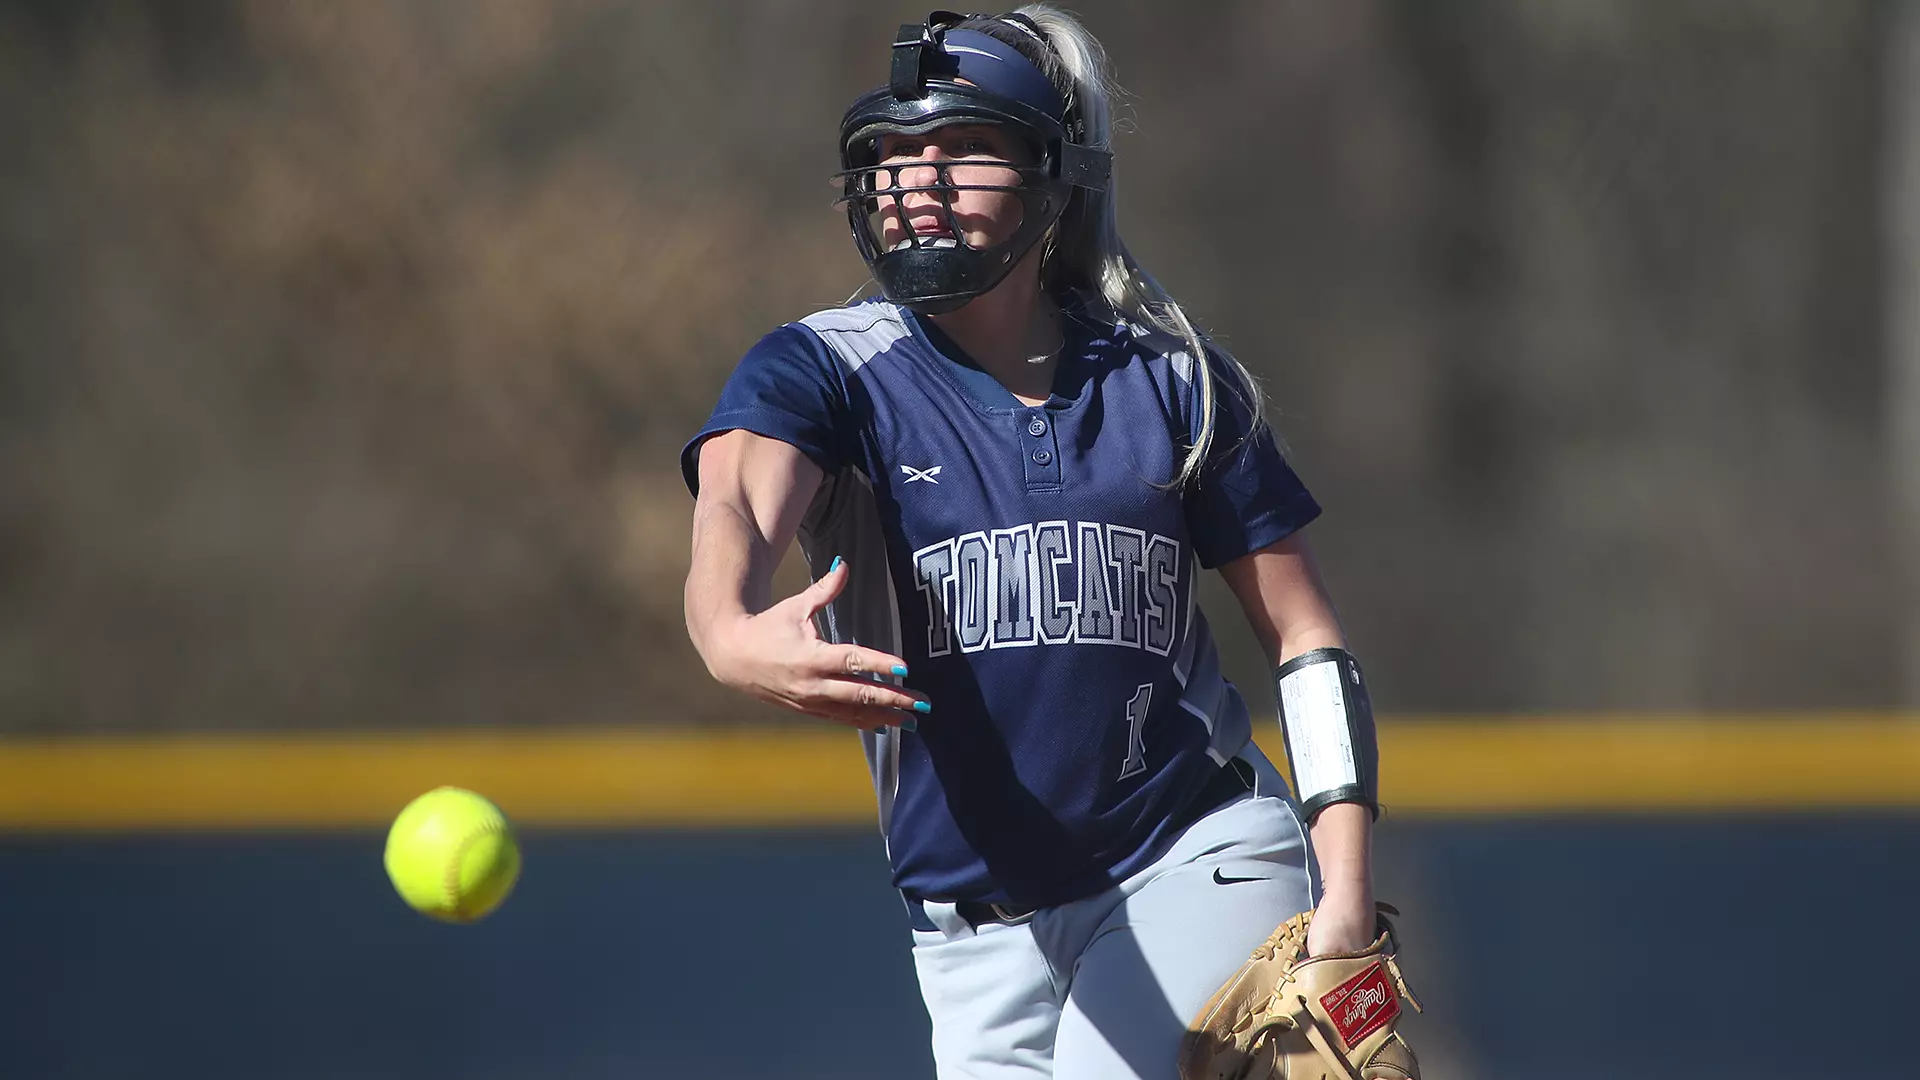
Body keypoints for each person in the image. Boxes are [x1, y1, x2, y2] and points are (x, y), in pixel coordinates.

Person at [681, 8, 1386, 1078]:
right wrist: (726, 632)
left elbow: (1306, 640)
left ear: (1052, 174)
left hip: (1190, 857)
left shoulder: (1172, 381)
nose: (917, 181)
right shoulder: (825, 370)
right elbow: (735, 499)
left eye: (962, 147)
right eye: (892, 152)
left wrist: (1345, 892)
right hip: (967, 939)